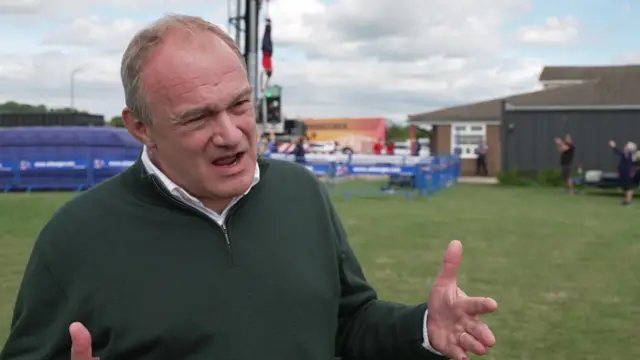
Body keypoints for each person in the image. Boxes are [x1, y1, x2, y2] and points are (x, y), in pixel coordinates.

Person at [0, 15, 497, 360]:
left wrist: (422, 330)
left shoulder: (300, 193)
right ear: (140, 127)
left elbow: (348, 321)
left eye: (239, 105)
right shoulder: (75, 238)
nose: (230, 133)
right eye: (197, 117)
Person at [609, 140, 639, 205]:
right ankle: (627, 200)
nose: (625, 147)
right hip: (625, 172)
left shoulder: (628, 154)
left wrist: (613, 146)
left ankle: (629, 201)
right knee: (626, 187)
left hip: (627, 173)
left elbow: (618, 151)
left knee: (629, 187)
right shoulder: (631, 155)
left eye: (627, 146)